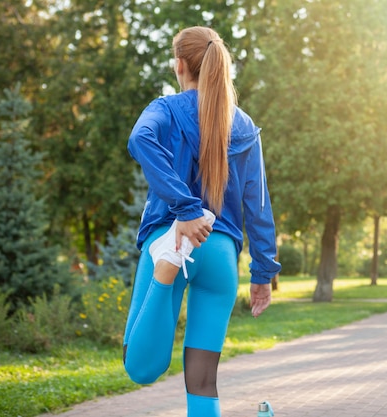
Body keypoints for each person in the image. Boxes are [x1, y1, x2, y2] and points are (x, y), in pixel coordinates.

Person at [122, 26, 281, 417]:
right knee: (203, 380)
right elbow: (258, 205)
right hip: (221, 254)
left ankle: (165, 271)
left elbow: (140, 140)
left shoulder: (164, 109)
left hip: (174, 238)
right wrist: (262, 272)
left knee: (140, 366)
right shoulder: (244, 125)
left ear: (180, 65)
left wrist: (186, 208)